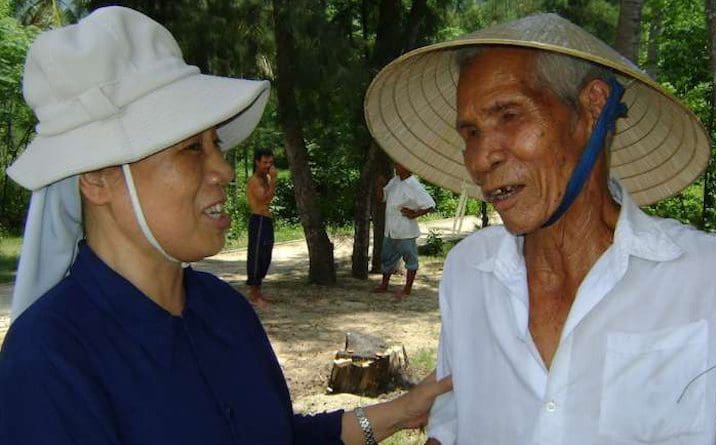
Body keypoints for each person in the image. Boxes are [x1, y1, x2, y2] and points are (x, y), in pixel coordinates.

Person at [0, 7, 451, 445]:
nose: (225, 170)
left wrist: (403, 410)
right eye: (192, 149)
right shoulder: (49, 359)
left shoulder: (223, 310)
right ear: (97, 177)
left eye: (214, 143)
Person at [364, 13, 716, 445]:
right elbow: (451, 427)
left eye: (509, 115)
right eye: (471, 132)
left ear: (593, 106)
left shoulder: (705, 277)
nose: (479, 160)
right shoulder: (469, 273)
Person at [372, 163, 435, 300]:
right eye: (395, 165)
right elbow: (381, 198)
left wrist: (415, 214)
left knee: (410, 259)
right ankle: (384, 285)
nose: (395, 167)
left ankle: (407, 288)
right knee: (387, 258)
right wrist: (379, 185)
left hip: (406, 231)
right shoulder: (395, 181)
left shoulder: (414, 185)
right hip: (391, 229)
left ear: (407, 168)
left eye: (399, 166)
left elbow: (430, 205)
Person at [246, 149, 278, 305]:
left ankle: (258, 291)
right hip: (258, 220)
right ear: (257, 162)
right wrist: (274, 180)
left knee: (265, 255)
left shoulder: (265, 178)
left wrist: (270, 180)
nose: (268, 166)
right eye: (265, 162)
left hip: (265, 220)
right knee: (257, 255)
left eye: (270, 163)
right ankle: (253, 293)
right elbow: (264, 198)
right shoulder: (255, 181)